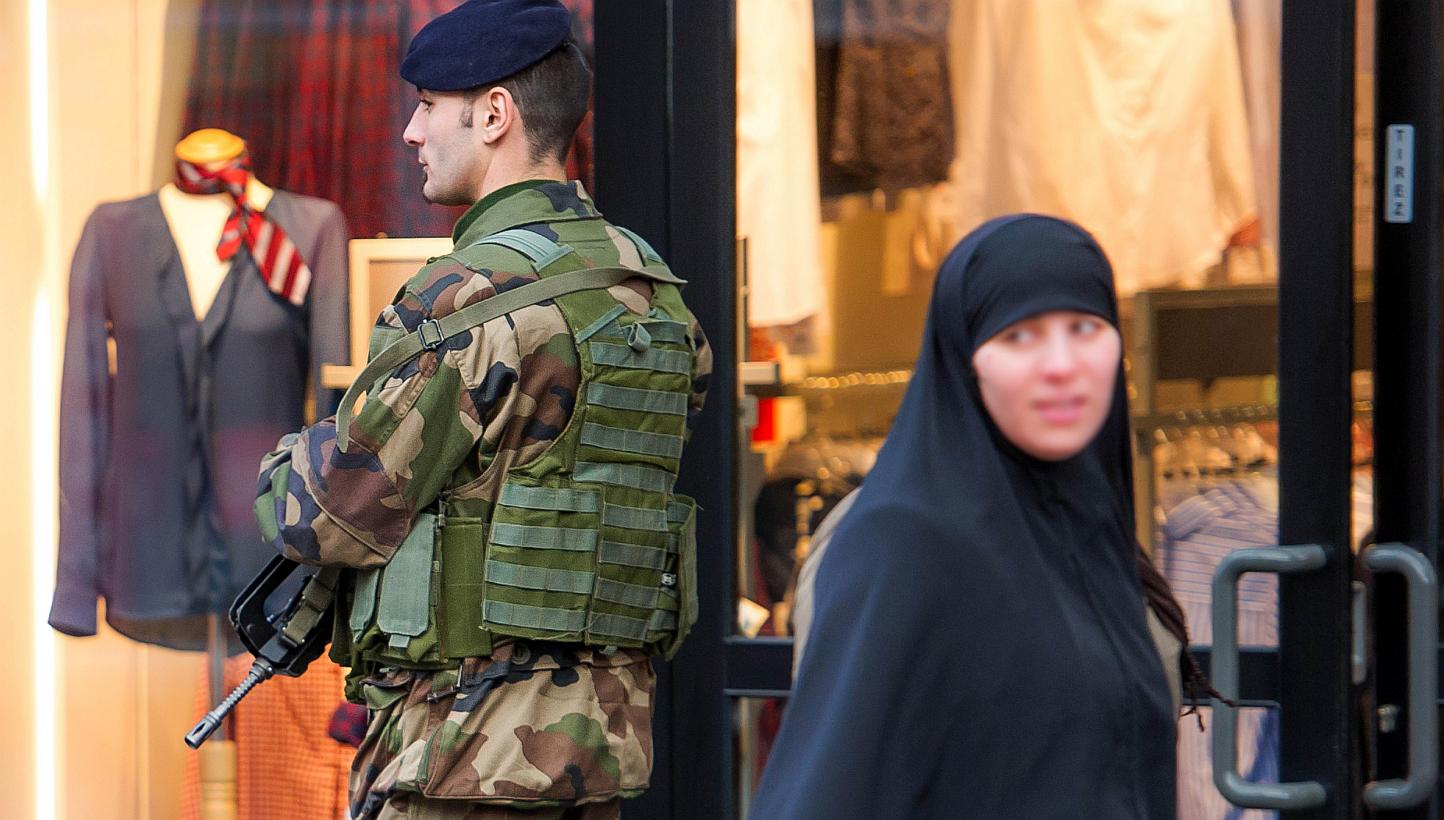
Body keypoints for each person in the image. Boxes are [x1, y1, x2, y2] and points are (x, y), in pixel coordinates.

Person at [252, 2, 711, 818]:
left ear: (494, 114)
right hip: (600, 758)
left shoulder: (466, 296)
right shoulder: (654, 294)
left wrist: (287, 455)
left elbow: (325, 515)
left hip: (460, 756)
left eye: (428, 105)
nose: (411, 133)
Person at [750, 215, 1191, 818]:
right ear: (964, 358)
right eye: (1019, 336)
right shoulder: (901, 543)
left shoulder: (1088, 529)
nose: (1060, 364)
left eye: (1084, 327)